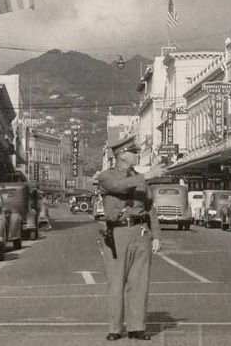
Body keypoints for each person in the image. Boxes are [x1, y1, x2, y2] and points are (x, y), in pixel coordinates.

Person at [97, 134, 163, 341]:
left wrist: (156, 236)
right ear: (120, 155)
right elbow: (119, 187)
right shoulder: (106, 176)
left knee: (140, 281)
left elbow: (150, 208)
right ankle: (115, 328)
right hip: (117, 233)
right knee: (116, 282)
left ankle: (137, 327)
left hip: (141, 232)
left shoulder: (140, 177)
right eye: (133, 152)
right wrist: (146, 176)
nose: (136, 155)